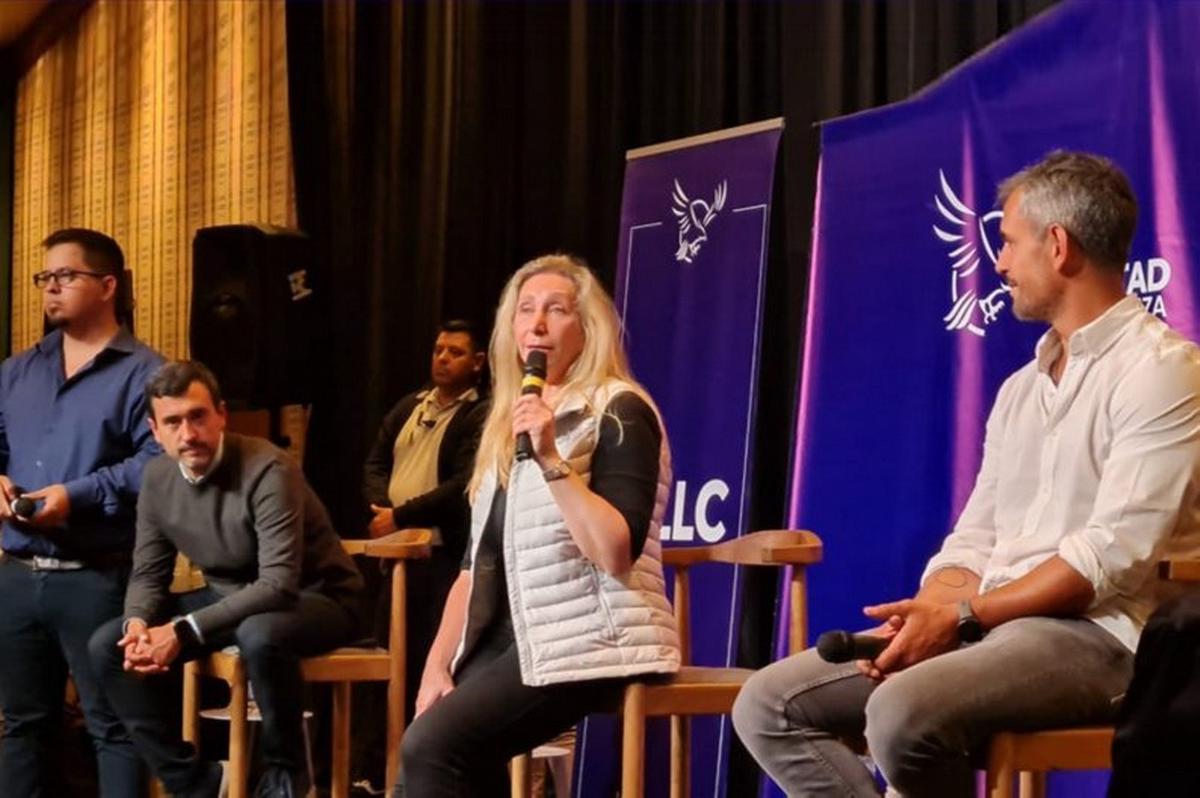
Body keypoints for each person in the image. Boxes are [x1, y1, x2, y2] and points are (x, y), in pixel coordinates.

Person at [732, 151, 1200, 797]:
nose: (999, 263)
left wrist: (962, 617)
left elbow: (1109, 558)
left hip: (1107, 637)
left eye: (1008, 242)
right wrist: (930, 612)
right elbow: (976, 536)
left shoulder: (1162, 370)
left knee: (900, 712)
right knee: (768, 704)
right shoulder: (1019, 390)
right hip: (991, 626)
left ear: (1058, 246)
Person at [397, 254, 680, 795]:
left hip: (594, 636)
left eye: (556, 310)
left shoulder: (619, 409)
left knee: (433, 748)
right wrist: (436, 664)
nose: (538, 325)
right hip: (514, 635)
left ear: (587, 327)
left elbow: (614, 552)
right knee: (422, 755)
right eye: (525, 310)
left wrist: (551, 458)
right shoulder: (505, 425)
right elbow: (473, 568)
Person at [88, 360, 364, 798]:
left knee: (259, 633)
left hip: (316, 597)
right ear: (155, 431)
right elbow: (149, 573)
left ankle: (286, 776)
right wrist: (137, 624)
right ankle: (194, 783)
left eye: (198, 416)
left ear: (221, 414)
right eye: (173, 422)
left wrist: (181, 630)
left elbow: (278, 583)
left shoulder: (269, 468)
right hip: (230, 597)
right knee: (108, 645)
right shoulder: (157, 478)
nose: (188, 433)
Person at [0, 228, 164, 796]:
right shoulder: (17, 371)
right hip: (17, 574)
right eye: (45, 277)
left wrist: (78, 495)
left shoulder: (146, 373)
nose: (51, 287)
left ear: (108, 285)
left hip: (98, 577)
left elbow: (156, 464)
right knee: (22, 726)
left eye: (66, 276)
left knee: (113, 728)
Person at [354, 320, 486, 790]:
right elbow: (375, 461)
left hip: (443, 561)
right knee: (389, 661)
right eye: (438, 349)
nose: (442, 358)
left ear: (478, 362)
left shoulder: (480, 414)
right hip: (396, 560)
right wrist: (383, 510)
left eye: (455, 352)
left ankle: (421, 777)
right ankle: (377, 770)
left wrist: (402, 516)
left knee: (430, 663)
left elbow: (461, 485)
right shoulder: (411, 405)